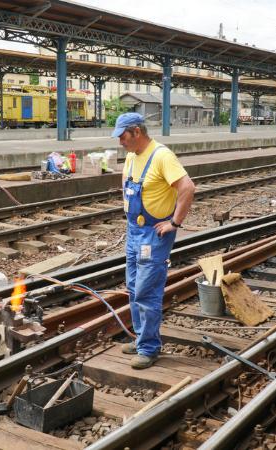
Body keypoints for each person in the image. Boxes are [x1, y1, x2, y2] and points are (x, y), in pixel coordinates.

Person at [113, 113, 195, 369]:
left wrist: (175, 223)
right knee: (133, 287)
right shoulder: (131, 156)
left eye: (123, 136)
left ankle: (149, 348)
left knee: (147, 291)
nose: (120, 142)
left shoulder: (162, 156)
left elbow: (188, 187)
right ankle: (140, 339)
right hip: (134, 231)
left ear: (137, 132)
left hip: (153, 234)